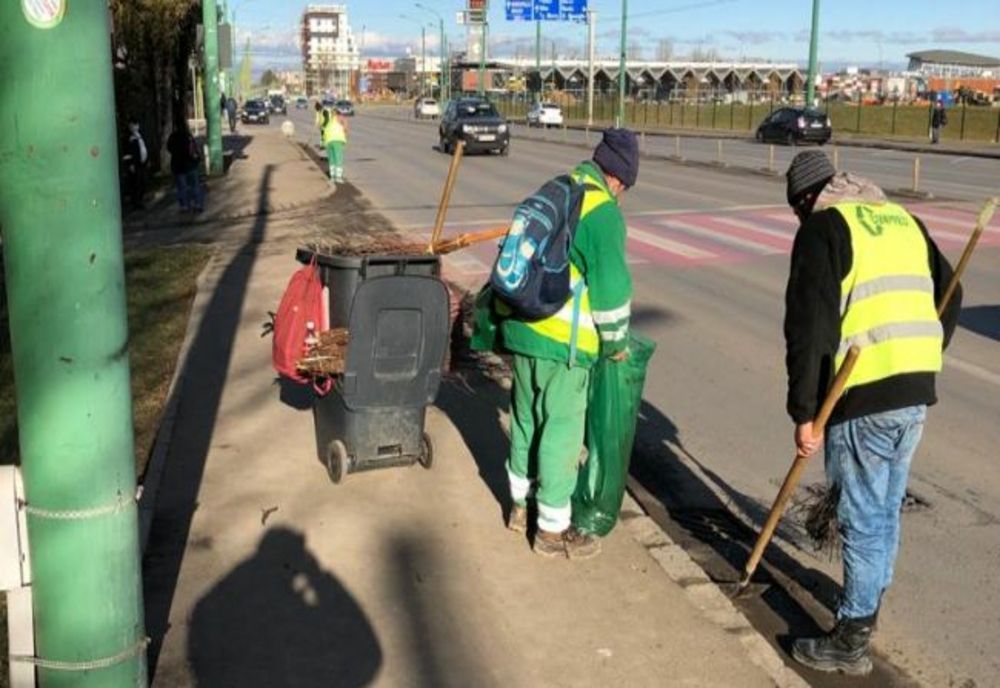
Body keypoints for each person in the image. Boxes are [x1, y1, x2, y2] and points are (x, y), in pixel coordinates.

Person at [782, 150, 961, 675]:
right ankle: (868, 605)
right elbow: (951, 297)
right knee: (882, 509)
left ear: (806, 200)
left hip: (862, 394)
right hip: (914, 390)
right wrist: (921, 354)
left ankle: (852, 639)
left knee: (860, 516)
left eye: (798, 210)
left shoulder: (822, 229)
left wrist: (805, 412)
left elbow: (809, 329)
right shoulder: (904, 219)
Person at [501, 129, 638, 560]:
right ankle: (551, 531)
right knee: (561, 433)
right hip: (564, 346)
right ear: (618, 180)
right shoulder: (603, 213)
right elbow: (612, 290)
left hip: (522, 329)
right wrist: (616, 343)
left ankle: (518, 507)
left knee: (525, 421)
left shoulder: (558, 187)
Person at [166, 117, 204, 213]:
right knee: (194, 185)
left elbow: (169, 148)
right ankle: (197, 204)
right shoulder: (188, 136)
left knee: (181, 187)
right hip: (191, 164)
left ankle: (184, 206)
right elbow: (194, 149)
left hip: (178, 166)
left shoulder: (173, 137)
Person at [317, 102, 347, 185]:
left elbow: (322, 126)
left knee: (332, 159)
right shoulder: (341, 118)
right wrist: (345, 136)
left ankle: (332, 177)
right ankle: (338, 177)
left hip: (328, 140)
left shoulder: (329, 119)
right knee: (338, 158)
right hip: (337, 140)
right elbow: (345, 128)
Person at [123, 117, 148, 210]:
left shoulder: (140, 135)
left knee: (143, 183)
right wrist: (130, 164)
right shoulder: (129, 137)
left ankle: (140, 200)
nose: (133, 127)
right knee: (136, 184)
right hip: (135, 164)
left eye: (135, 125)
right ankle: (137, 203)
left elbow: (143, 148)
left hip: (142, 163)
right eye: (132, 125)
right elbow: (128, 153)